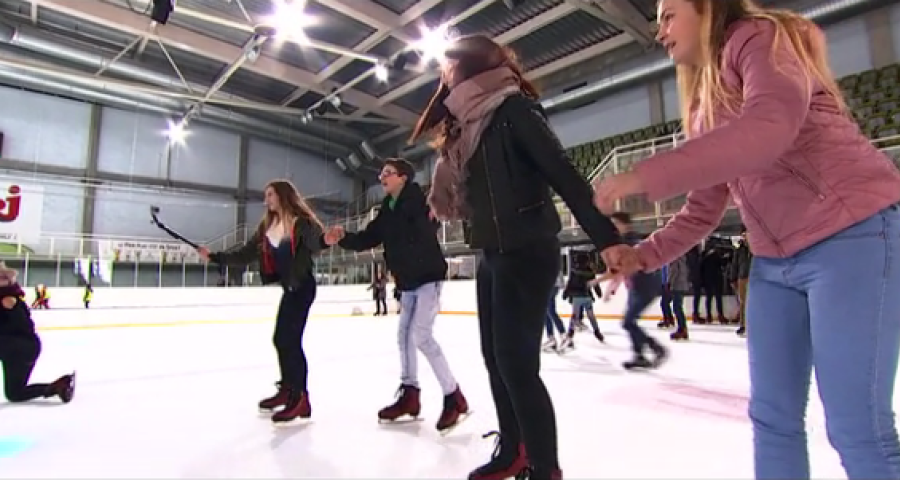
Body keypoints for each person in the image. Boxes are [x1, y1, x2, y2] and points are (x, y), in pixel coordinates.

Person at [593, 0, 900, 478]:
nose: (661, 33)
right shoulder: (702, 106)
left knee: (857, 427)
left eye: (669, 15)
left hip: (851, 236)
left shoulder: (761, 38)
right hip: (775, 263)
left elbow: (767, 129)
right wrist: (640, 256)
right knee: (773, 419)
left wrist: (644, 176)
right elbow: (701, 211)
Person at [410, 34, 634, 480]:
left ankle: (545, 467)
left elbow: (563, 173)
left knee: (516, 364)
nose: (443, 75)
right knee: (494, 358)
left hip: (528, 249)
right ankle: (512, 450)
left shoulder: (513, 110)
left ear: (468, 66)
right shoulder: (466, 125)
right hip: (492, 252)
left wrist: (606, 238)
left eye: (448, 65)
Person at [325, 158, 468, 433]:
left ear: (404, 177)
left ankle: (454, 397)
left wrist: (434, 216)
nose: (382, 177)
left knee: (422, 336)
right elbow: (369, 238)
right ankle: (410, 394)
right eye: (382, 173)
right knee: (404, 336)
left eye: (388, 173)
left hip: (428, 277)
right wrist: (343, 237)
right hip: (407, 282)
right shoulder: (387, 210)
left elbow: (431, 221)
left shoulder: (419, 200)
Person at [199, 179, 328, 426]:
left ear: (282, 196)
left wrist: (327, 240)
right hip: (289, 288)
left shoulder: (301, 223)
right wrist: (215, 257)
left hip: (302, 287)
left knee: (289, 340)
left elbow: (316, 243)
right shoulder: (269, 226)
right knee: (281, 339)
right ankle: (288, 389)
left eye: (270, 195)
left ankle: (300, 398)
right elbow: (246, 253)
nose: (266, 199)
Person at [0, 262, 75, 404]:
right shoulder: (9, 297)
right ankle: (58, 386)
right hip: (24, 347)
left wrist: (13, 309)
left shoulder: (7, 300)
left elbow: (23, 326)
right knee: (15, 393)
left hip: (20, 347)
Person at [605, 212, 667, 369]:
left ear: (625, 225)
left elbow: (623, 268)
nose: (613, 228)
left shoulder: (629, 243)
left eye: (615, 224)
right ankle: (639, 355)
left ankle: (655, 348)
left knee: (628, 322)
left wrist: (611, 287)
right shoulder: (629, 241)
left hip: (644, 287)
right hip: (638, 287)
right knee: (629, 322)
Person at [730, 227, 752, 337]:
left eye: (746, 234)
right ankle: (743, 325)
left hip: (754, 277)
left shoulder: (755, 248)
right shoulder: (739, 249)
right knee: (743, 302)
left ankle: (754, 324)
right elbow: (734, 264)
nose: (745, 237)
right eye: (743, 235)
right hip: (742, 277)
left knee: (754, 302)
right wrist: (733, 278)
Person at [665, 253, 690, 340]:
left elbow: (674, 271)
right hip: (682, 284)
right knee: (678, 307)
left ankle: (682, 329)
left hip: (677, 285)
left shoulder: (674, 257)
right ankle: (682, 328)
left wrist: (669, 282)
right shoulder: (682, 257)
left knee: (677, 307)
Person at [541, 271, 567, 352]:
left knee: (550, 310)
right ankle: (551, 338)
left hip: (551, 284)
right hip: (551, 284)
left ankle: (563, 335)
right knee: (546, 311)